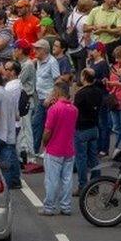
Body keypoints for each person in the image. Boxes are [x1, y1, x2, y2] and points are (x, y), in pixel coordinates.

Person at [40, 82, 76, 216]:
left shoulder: (54, 109)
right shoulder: (74, 109)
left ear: (57, 93)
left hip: (54, 148)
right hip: (69, 148)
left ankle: (49, 207)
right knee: (67, 179)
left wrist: (45, 143)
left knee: (52, 179)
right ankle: (66, 206)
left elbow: (47, 131)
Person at [73, 68, 102, 193]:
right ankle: (95, 185)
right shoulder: (98, 92)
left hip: (81, 128)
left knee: (81, 159)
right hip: (94, 127)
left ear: (84, 77)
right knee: (94, 157)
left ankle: (83, 186)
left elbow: (74, 111)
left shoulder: (81, 94)